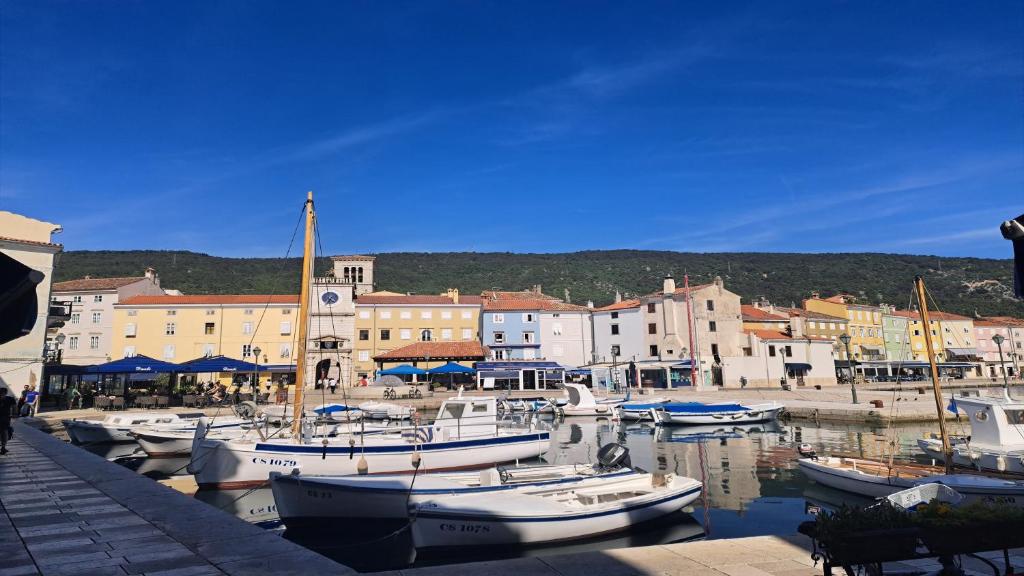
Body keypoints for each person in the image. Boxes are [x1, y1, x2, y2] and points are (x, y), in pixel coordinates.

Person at [1, 387, 15, 454]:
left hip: (5, 418)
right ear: (6, 392)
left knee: (4, 432)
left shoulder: (10, 399)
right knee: (5, 432)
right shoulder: (10, 399)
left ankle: (3, 448)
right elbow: (15, 408)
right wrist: (15, 415)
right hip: (5, 418)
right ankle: (3, 448)